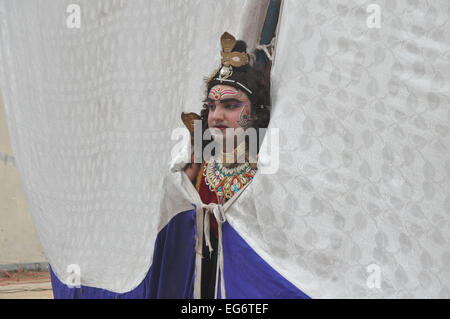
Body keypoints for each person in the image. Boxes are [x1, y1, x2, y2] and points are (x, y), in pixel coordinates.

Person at [181, 32, 270, 298]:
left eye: (230, 105)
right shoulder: (199, 168)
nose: (216, 116)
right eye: (212, 106)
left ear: (254, 113)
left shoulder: (265, 170)